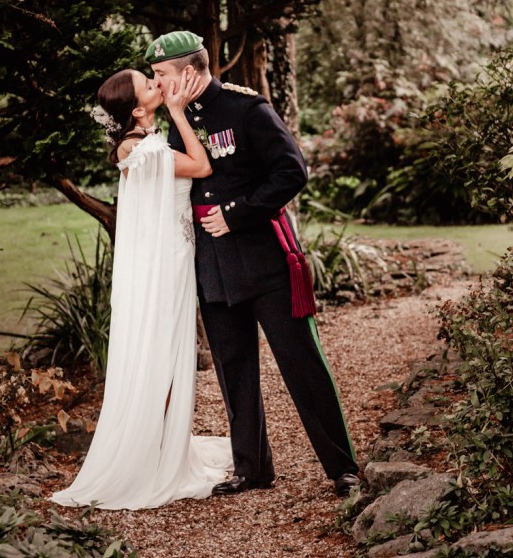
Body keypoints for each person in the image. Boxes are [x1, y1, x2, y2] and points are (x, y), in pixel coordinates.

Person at [146, 30, 360, 498]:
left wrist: (238, 212)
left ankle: (343, 468)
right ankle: (251, 468)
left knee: (301, 362)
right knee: (233, 366)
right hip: (214, 266)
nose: (156, 83)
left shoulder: (247, 109)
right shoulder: (177, 120)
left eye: (161, 75)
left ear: (188, 72)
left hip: (265, 260)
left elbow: (291, 171)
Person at [51, 67, 231, 510]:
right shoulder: (140, 150)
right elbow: (202, 165)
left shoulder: (141, 145)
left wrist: (171, 112)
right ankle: (155, 456)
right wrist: (177, 110)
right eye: (149, 86)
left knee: (167, 353)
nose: (157, 85)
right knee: (164, 354)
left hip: (170, 259)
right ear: (137, 109)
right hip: (163, 267)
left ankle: (163, 444)